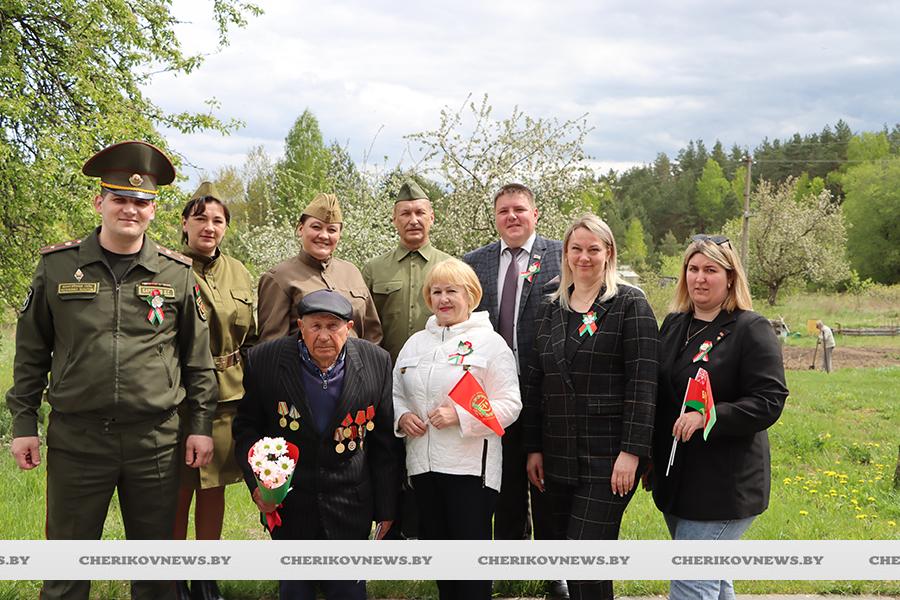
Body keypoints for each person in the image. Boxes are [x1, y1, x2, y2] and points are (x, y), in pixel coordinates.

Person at [5, 141, 217, 600]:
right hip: (78, 440)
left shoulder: (177, 274)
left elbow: (197, 360)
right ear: (99, 201)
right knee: (65, 573)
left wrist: (199, 425)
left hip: (155, 441)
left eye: (140, 201)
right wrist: (24, 423)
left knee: (157, 574)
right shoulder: (57, 267)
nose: (130, 209)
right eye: (119, 198)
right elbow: (31, 354)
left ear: (154, 210)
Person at [522, 214, 658, 600]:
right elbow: (536, 382)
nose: (584, 257)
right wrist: (533, 447)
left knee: (587, 563)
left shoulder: (629, 304)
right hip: (557, 455)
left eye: (593, 249)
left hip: (608, 459)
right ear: (565, 254)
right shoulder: (551, 308)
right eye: (576, 249)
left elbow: (644, 384)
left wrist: (632, 453)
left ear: (608, 253)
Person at [233, 289, 399, 600]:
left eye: (333, 326)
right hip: (291, 506)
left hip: (350, 503)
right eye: (315, 326)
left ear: (349, 328)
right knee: (295, 590)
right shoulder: (265, 361)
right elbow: (246, 428)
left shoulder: (377, 362)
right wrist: (259, 486)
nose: (324, 336)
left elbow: (384, 443)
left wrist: (387, 507)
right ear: (300, 326)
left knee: (348, 592)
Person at [650, 234, 788, 600]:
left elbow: (770, 400)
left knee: (691, 583)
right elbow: (661, 396)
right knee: (713, 581)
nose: (699, 278)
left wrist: (710, 416)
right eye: (693, 269)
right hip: (678, 483)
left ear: (730, 277)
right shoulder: (674, 325)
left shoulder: (751, 328)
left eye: (710, 269)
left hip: (725, 486)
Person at [393, 258, 521, 600]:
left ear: (472, 296)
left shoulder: (491, 345)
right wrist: (402, 417)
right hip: (423, 468)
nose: (443, 299)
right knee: (441, 562)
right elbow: (396, 393)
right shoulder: (415, 344)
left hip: (469, 472)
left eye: (452, 291)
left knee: (469, 568)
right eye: (436, 292)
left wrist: (460, 417)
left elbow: (510, 405)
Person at [463, 183, 565, 597]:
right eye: (504, 210)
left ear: (535, 214)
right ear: (495, 216)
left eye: (519, 209)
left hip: (547, 391)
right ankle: (509, 560)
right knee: (502, 481)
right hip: (494, 393)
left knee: (546, 482)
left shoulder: (562, 256)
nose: (512, 217)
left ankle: (555, 570)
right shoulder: (476, 263)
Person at [173, 182, 258, 600]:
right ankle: (171, 579)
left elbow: (252, 334)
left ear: (226, 227)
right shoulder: (165, 267)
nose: (209, 226)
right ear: (184, 223)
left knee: (214, 488)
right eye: (200, 218)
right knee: (179, 488)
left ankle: (205, 576)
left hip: (228, 395)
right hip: (179, 396)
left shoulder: (239, 272)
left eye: (217, 220)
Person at [362, 178, 452, 539]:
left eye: (419, 212)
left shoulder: (450, 267)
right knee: (388, 456)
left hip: (438, 384)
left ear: (432, 217)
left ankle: (427, 532)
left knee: (431, 459)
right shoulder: (373, 269)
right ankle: (390, 530)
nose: (413, 219)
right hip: (388, 381)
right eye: (405, 214)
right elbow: (366, 326)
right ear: (394, 220)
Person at [256, 192, 382, 344]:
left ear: (339, 235)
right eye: (316, 227)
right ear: (300, 229)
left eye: (332, 230)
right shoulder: (279, 277)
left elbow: (373, 335)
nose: (324, 235)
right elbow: (272, 345)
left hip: (355, 366)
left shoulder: (352, 272)